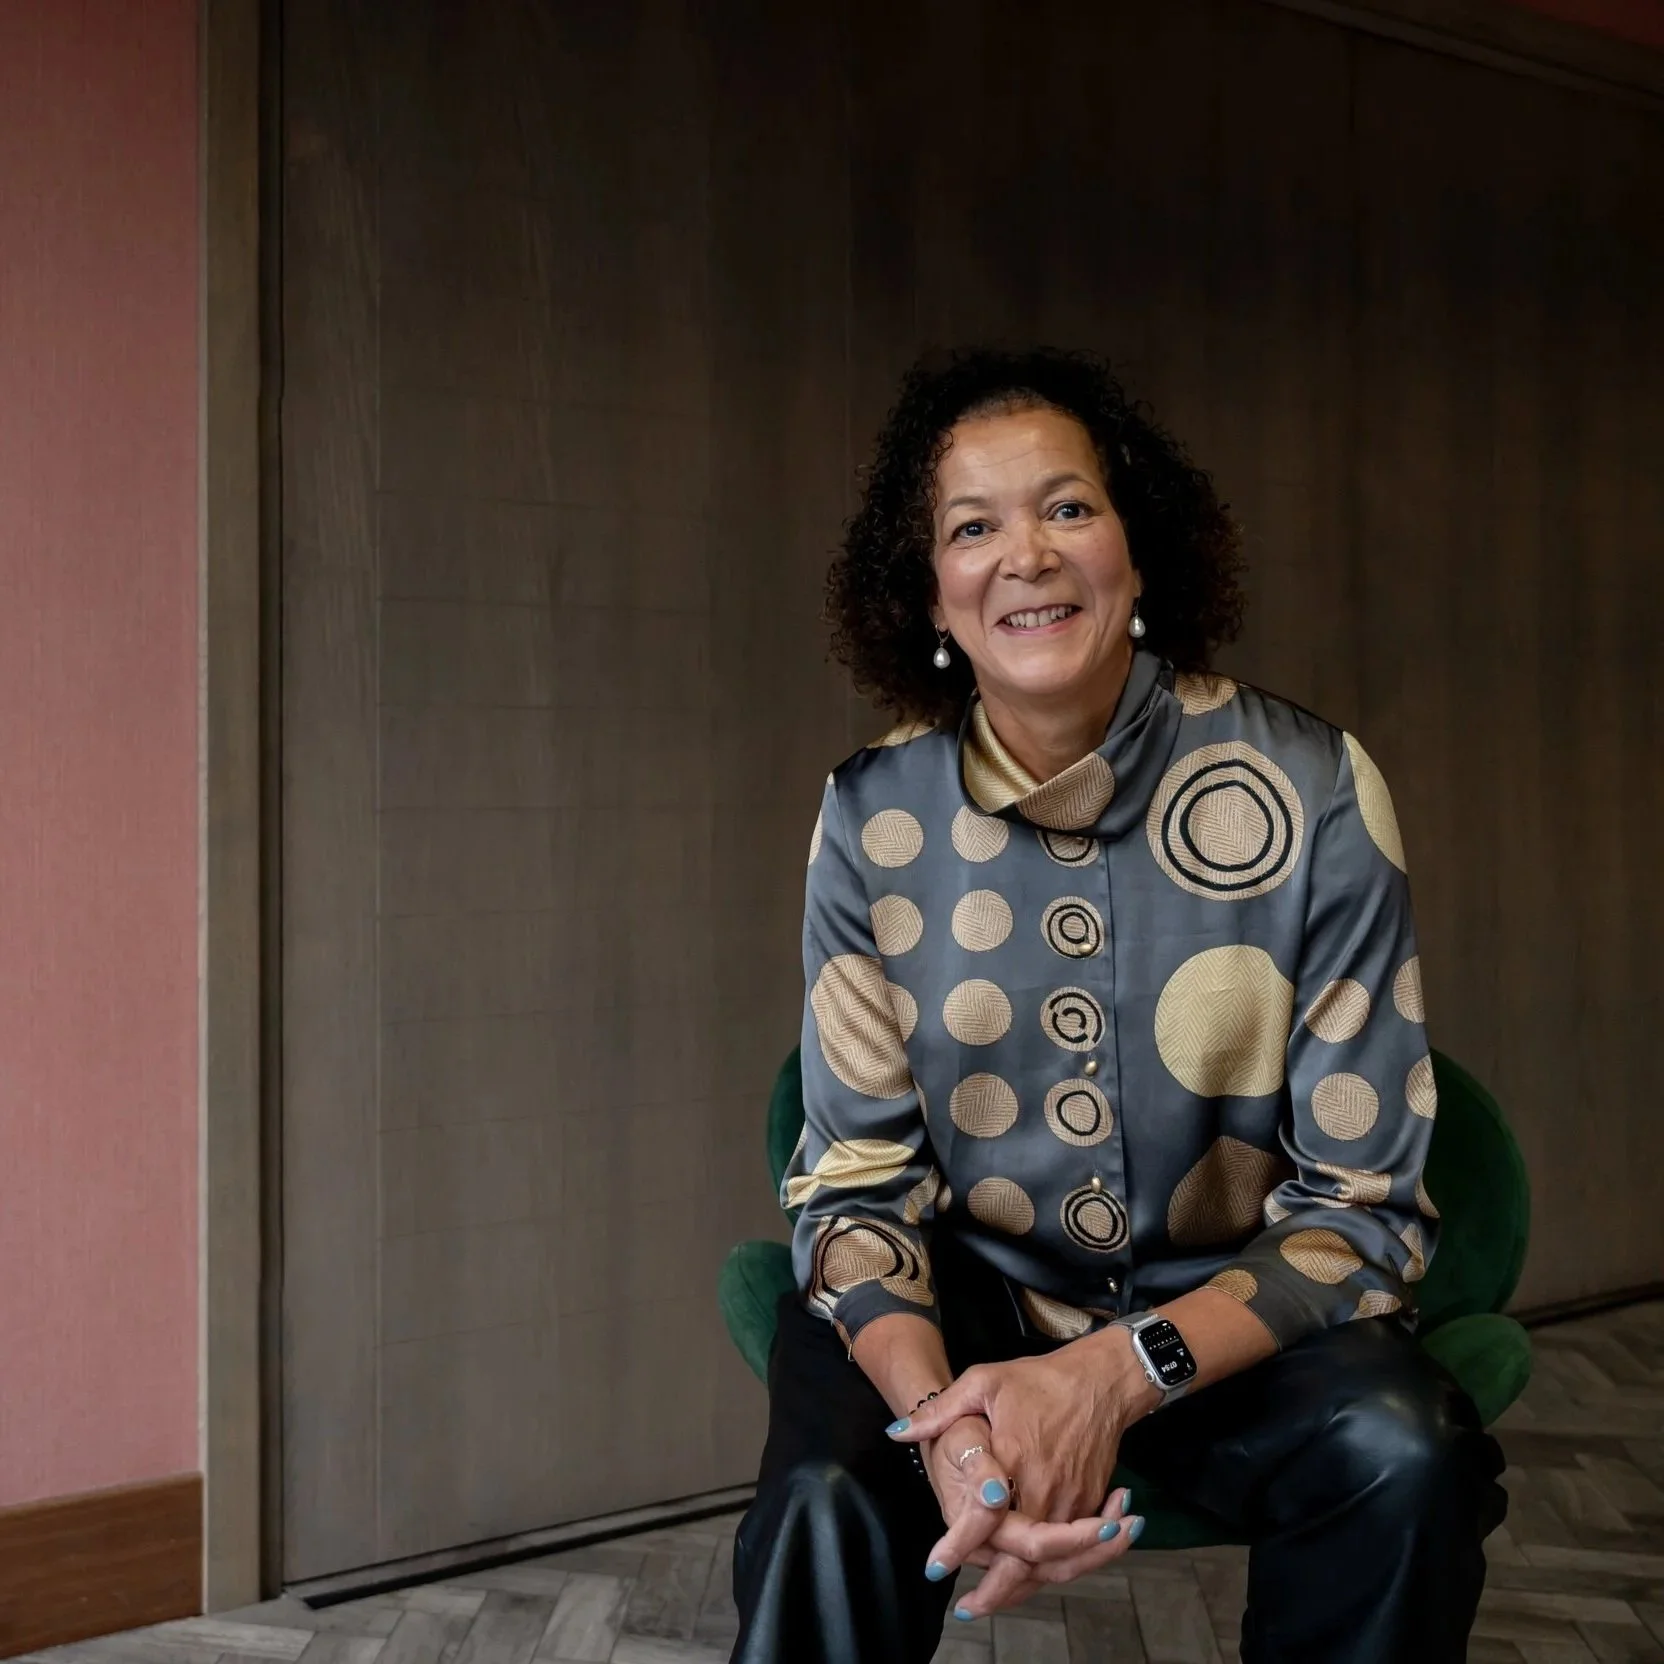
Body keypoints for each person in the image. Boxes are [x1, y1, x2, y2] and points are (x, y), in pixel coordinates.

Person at [728, 348, 1506, 1664]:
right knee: (822, 1497)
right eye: (972, 526)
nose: (1024, 553)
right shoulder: (869, 813)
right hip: (960, 1313)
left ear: (1139, 554)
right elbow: (856, 1188)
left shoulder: (1312, 785)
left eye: (1068, 507)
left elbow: (1361, 1210)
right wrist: (954, 1430)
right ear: (930, 592)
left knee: (1404, 1452)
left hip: (1228, 1321)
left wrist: (1105, 1376)